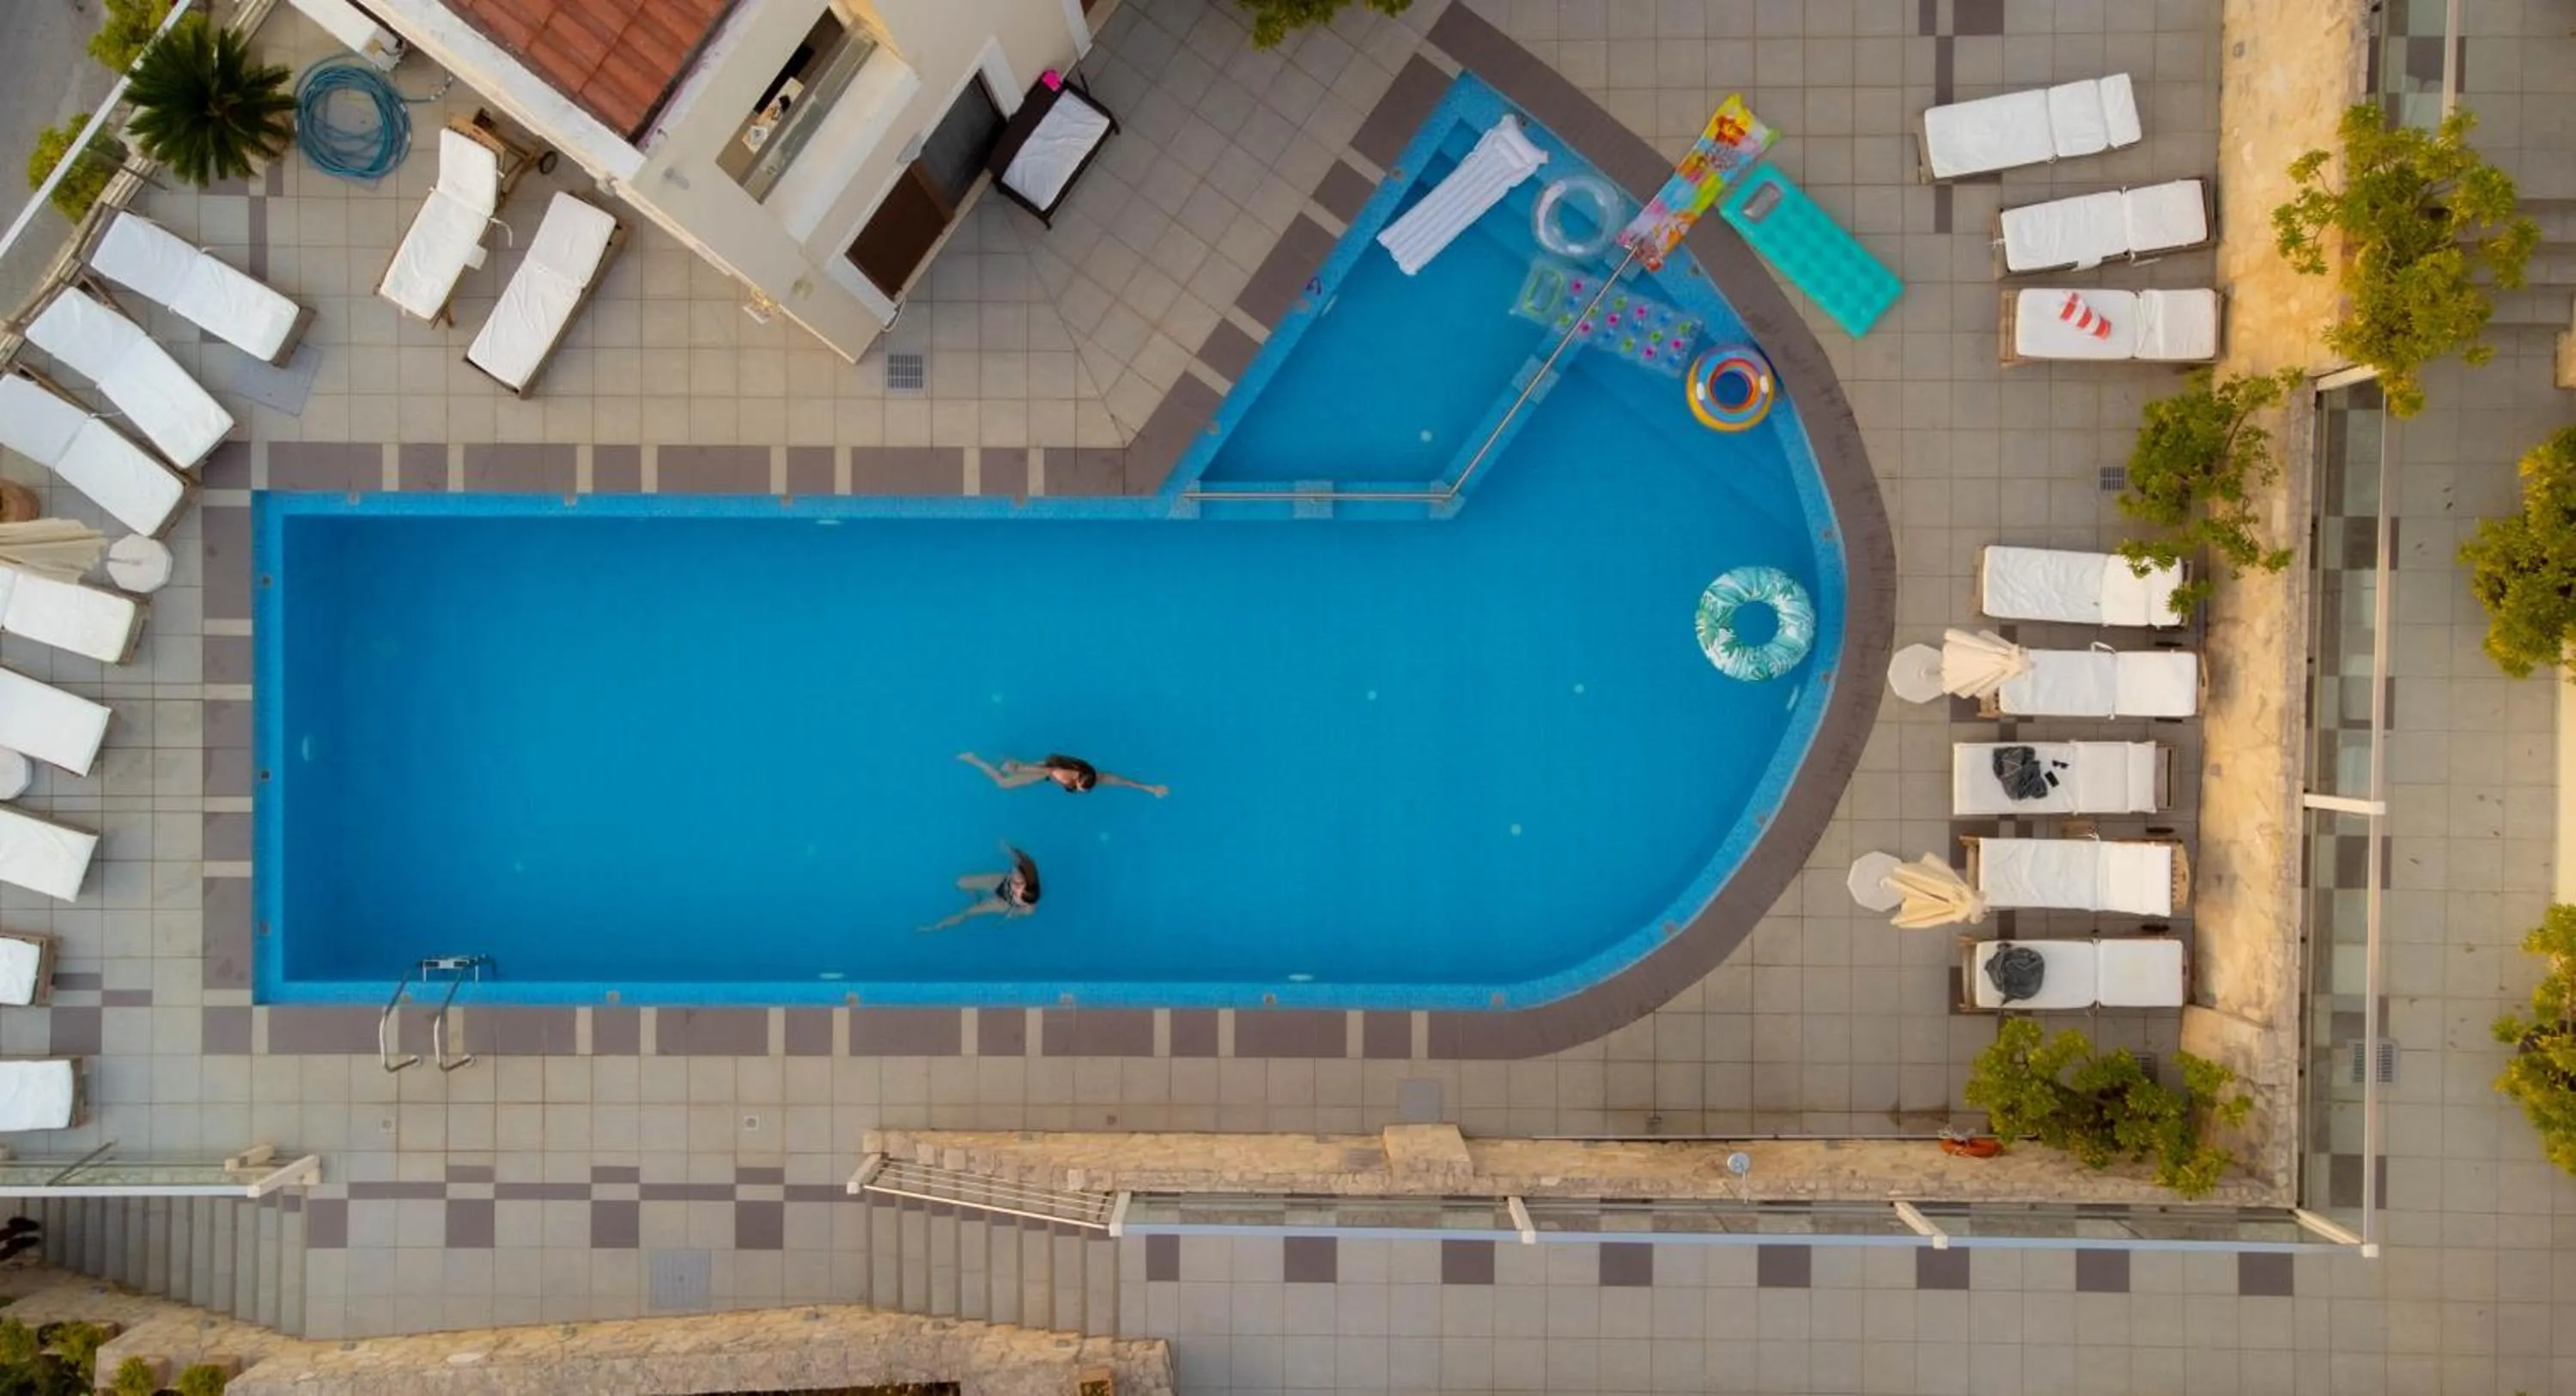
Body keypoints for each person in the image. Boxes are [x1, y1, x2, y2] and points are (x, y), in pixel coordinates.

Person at [918, 843, 1041, 932]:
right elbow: (1019, 857)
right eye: (1018, 886)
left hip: (1002, 903)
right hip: (999, 881)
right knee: (960, 882)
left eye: (1017, 894)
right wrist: (1007, 848)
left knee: (968, 912)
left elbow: (1020, 913)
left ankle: (936, 927)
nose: (1015, 890)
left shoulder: (1028, 908)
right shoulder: (1025, 871)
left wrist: (1011, 916)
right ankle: (976, 896)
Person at [957, 751, 1166, 798]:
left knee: (1013, 771)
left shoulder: (1095, 777)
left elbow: (1121, 781)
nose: (1079, 791)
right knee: (1003, 783)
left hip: (1052, 770)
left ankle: (1010, 760)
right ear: (1075, 778)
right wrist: (1019, 768)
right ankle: (975, 759)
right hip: (1046, 772)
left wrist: (1149, 788)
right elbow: (1042, 770)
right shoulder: (1061, 773)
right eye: (1078, 787)